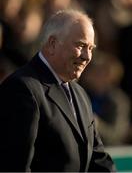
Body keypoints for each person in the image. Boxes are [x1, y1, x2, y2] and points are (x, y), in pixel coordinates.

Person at [0, 9, 116, 172]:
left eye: (91, 48)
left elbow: (98, 159)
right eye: (81, 45)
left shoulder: (80, 94)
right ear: (52, 44)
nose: (87, 56)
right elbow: (15, 166)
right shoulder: (22, 89)